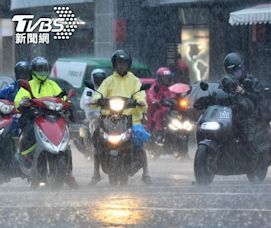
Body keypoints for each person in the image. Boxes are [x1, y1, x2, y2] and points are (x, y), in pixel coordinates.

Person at [13, 56, 78, 189]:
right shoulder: (29, 85)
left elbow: (62, 96)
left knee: (67, 145)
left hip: (54, 118)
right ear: (33, 71)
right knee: (29, 135)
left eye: (44, 69)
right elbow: (19, 99)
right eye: (39, 69)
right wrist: (24, 102)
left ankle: (69, 174)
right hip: (35, 118)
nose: (42, 72)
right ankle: (28, 159)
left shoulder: (52, 84)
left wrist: (67, 101)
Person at [89, 49, 151, 185]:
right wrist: (95, 99)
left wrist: (140, 101)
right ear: (114, 64)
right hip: (109, 118)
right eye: (119, 63)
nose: (121, 65)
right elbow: (100, 93)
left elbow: (140, 94)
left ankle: (146, 173)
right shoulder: (108, 81)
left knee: (139, 142)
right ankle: (96, 174)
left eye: (124, 63)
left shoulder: (135, 81)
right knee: (97, 139)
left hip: (130, 119)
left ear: (128, 64)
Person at [222, 52, 271, 175]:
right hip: (231, 115)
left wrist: (244, 92)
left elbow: (259, 98)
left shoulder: (252, 81)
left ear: (241, 67)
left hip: (250, 115)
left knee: (249, 140)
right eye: (232, 70)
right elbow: (219, 93)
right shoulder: (227, 81)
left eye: (237, 69)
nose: (235, 72)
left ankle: (252, 168)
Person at [145, 67, 175, 142]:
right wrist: (155, 101)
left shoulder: (170, 87)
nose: (167, 79)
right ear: (160, 78)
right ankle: (156, 132)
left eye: (168, 77)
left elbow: (173, 95)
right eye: (165, 78)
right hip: (156, 108)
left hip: (169, 110)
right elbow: (150, 94)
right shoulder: (155, 86)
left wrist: (174, 100)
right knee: (158, 114)